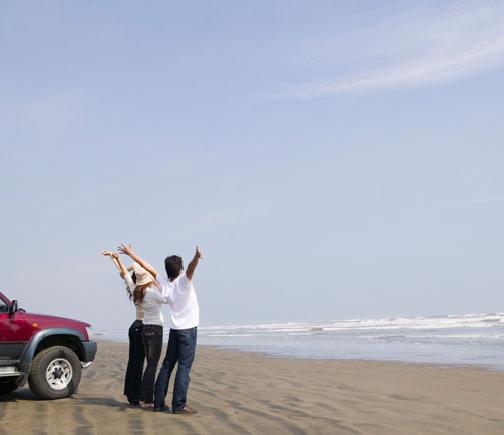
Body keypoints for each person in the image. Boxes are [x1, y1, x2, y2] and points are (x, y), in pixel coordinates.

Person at [118, 244, 202, 414]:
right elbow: (191, 269)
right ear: (180, 269)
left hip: (174, 330)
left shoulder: (163, 283)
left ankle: (158, 403)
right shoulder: (184, 282)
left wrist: (131, 254)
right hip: (188, 330)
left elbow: (147, 265)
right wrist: (196, 258)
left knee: (166, 366)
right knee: (184, 367)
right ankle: (179, 405)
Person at [102, 250, 145, 407]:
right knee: (138, 363)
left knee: (133, 362)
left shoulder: (134, 286)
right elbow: (126, 273)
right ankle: (135, 396)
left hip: (134, 327)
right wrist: (119, 258)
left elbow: (123, 273)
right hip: (141, 328)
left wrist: (116, 259)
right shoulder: (143, 287)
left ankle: (132, 395)